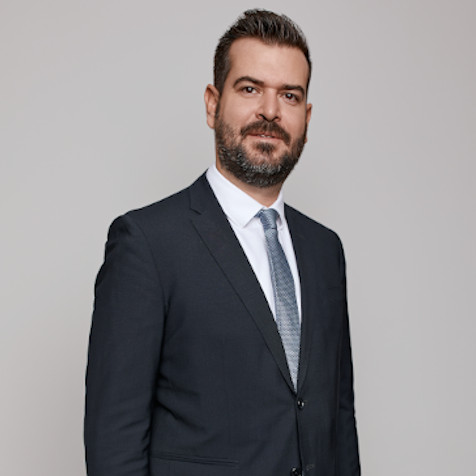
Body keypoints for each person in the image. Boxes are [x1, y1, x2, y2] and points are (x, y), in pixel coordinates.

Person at [84, 9, 360, 476]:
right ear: (213, 104)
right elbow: (114, 444)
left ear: (306, 117)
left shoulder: (324, 250)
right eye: (250, 89)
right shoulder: (147, 244)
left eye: (289, 95)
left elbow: (339, 421)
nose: (270, 111)